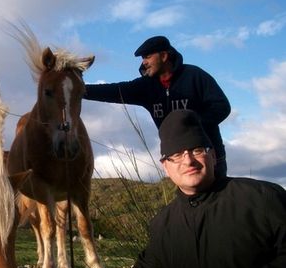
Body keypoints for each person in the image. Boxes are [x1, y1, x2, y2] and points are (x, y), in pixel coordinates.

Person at [97, 110, 286, 268]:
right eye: (176, 154)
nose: (188, 161)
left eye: (197, 150)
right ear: (165, 166)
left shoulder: (262, 198)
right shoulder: (163, 224)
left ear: (213, 155)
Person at [84, 35, 231, 178]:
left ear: (164, 56)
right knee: (189, 198)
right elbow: (115, 91)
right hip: (176, 159)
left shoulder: (194, 76)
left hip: (206, 155)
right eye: (143, 58)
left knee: (218, 198)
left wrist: (193, 124)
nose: (144, 63)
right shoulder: (146, 86)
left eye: (147, 57)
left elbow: (222, 106)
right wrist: (76, 89)